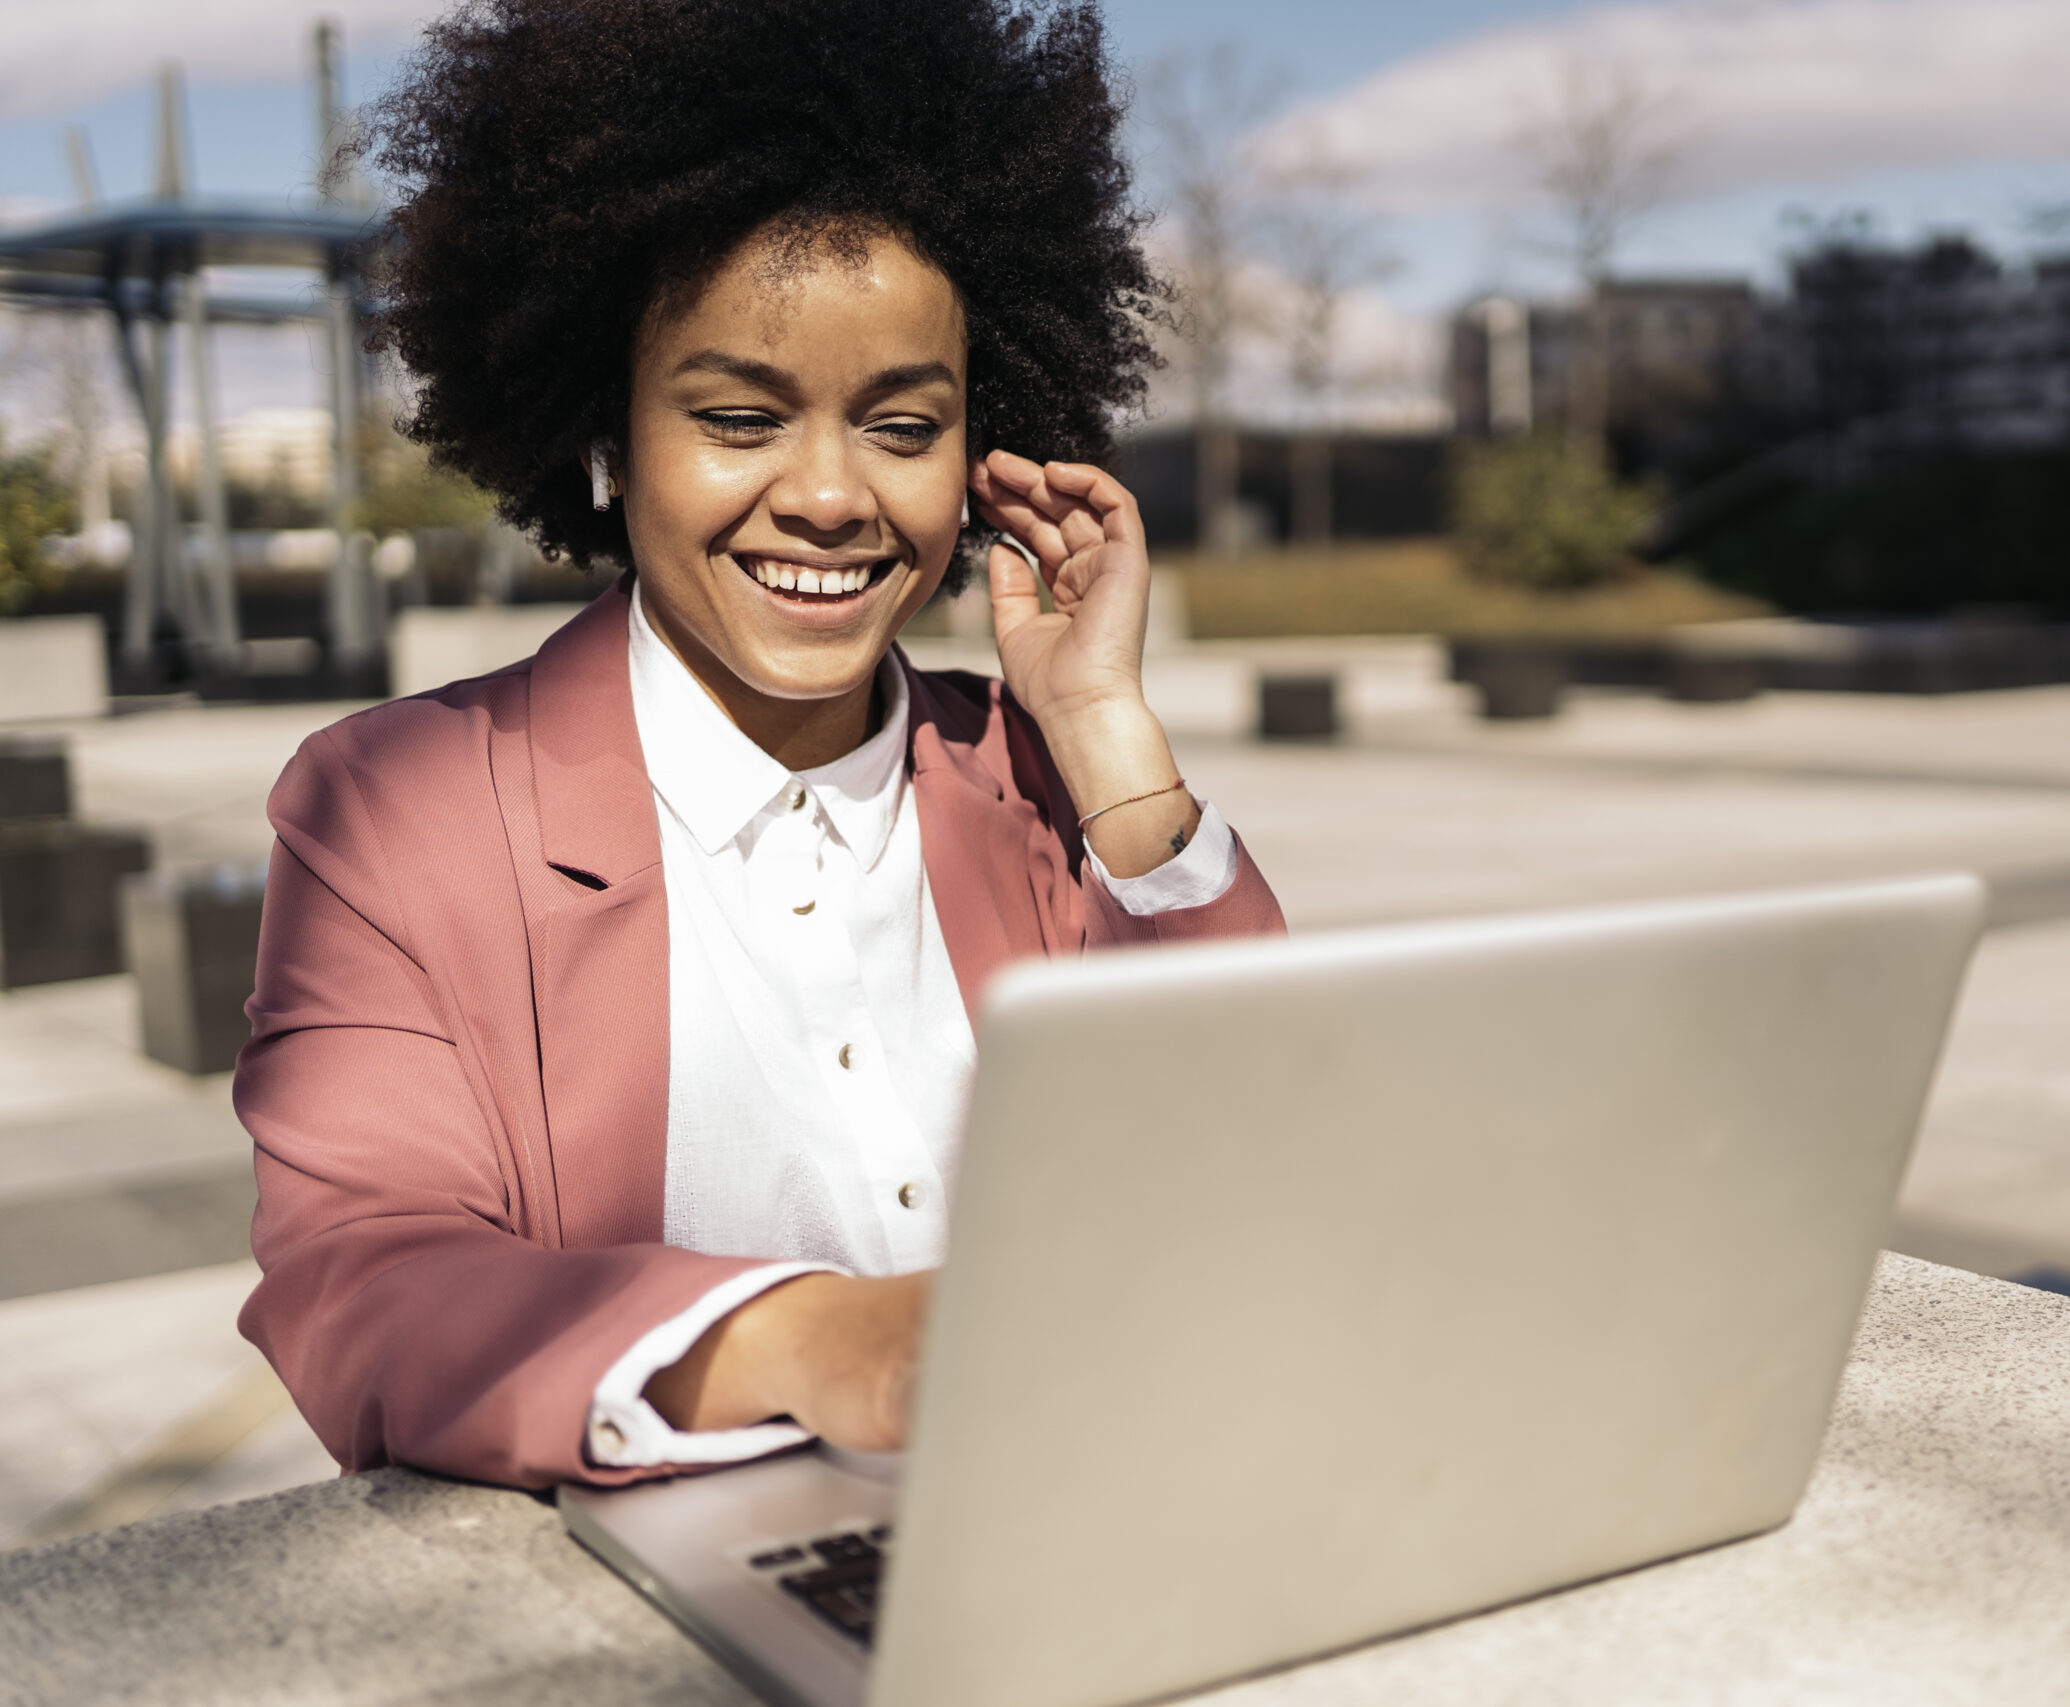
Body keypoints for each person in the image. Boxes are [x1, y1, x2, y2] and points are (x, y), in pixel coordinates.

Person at [236, 0, 1284, 1491]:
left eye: (904, 427)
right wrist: (819, 1344)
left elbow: (1270, 1150)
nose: (832, 495)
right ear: (609, 435)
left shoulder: (1037, 776)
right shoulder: (394, 813)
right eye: (740, 416)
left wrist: (1105, 729)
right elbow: (362, 1281)